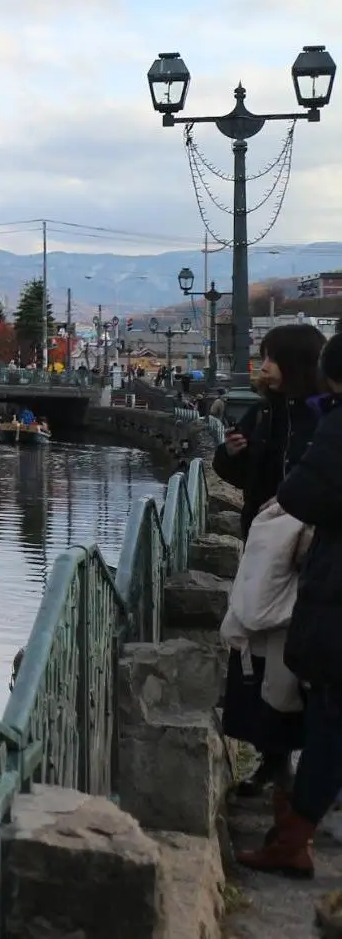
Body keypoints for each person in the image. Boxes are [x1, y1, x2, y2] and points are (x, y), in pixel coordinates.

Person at [238, 331, 342, 876]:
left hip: (331, 582)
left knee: (328, 707)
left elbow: (302, 494)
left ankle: (293, 837)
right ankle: (294, 829)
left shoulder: (333, 424)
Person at [215, 323, 329, 798]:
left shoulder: (324, 418)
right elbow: (239, 476)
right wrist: (231, 454)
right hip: (267, 556)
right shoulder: (266, 414)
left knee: (306, 663)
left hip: (314, 561)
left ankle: (318, 772)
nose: (262, 368)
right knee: (262, 656)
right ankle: (272, 759)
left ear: (297, 365)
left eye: (270, 359)